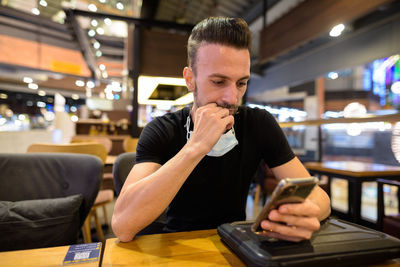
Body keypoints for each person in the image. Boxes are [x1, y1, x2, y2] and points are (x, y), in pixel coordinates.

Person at [112, 17, 331, 242]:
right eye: (218, 82)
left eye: (241, 83)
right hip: (176, 244)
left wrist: (305, 214)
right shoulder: (162, 130)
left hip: (237, 242)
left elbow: (320, 199)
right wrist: (196, 147)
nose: (232, 97)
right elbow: (122, 225)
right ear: (190, 79)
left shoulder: (258, 123)